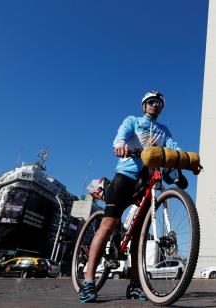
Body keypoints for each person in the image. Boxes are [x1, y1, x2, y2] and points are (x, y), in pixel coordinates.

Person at [78, 91, 181, 303]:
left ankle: (135, 285)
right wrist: (120, 144)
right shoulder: (132, 120)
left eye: (159, 103)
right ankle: (88, 281)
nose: (155, 105)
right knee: (108, 224)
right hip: (125, 175)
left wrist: (184, 159)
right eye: (151, 102)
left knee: (140, 236)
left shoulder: (164, 131)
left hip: (148, 181)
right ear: (144, 106)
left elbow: (173, 148)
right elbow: (122, 135)